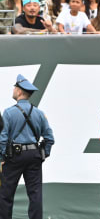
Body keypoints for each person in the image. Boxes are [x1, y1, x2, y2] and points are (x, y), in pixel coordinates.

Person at [0, 74, 55, 219]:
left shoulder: (8, 113)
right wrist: (44, 154)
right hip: (34, 155)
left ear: (19, 91)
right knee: (35, 195)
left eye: (15, 87)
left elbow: (3, 138)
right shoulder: (39, 113)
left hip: (13, 157)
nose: (13, 90)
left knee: (6, 195)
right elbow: (49, 138)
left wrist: (1, 157)